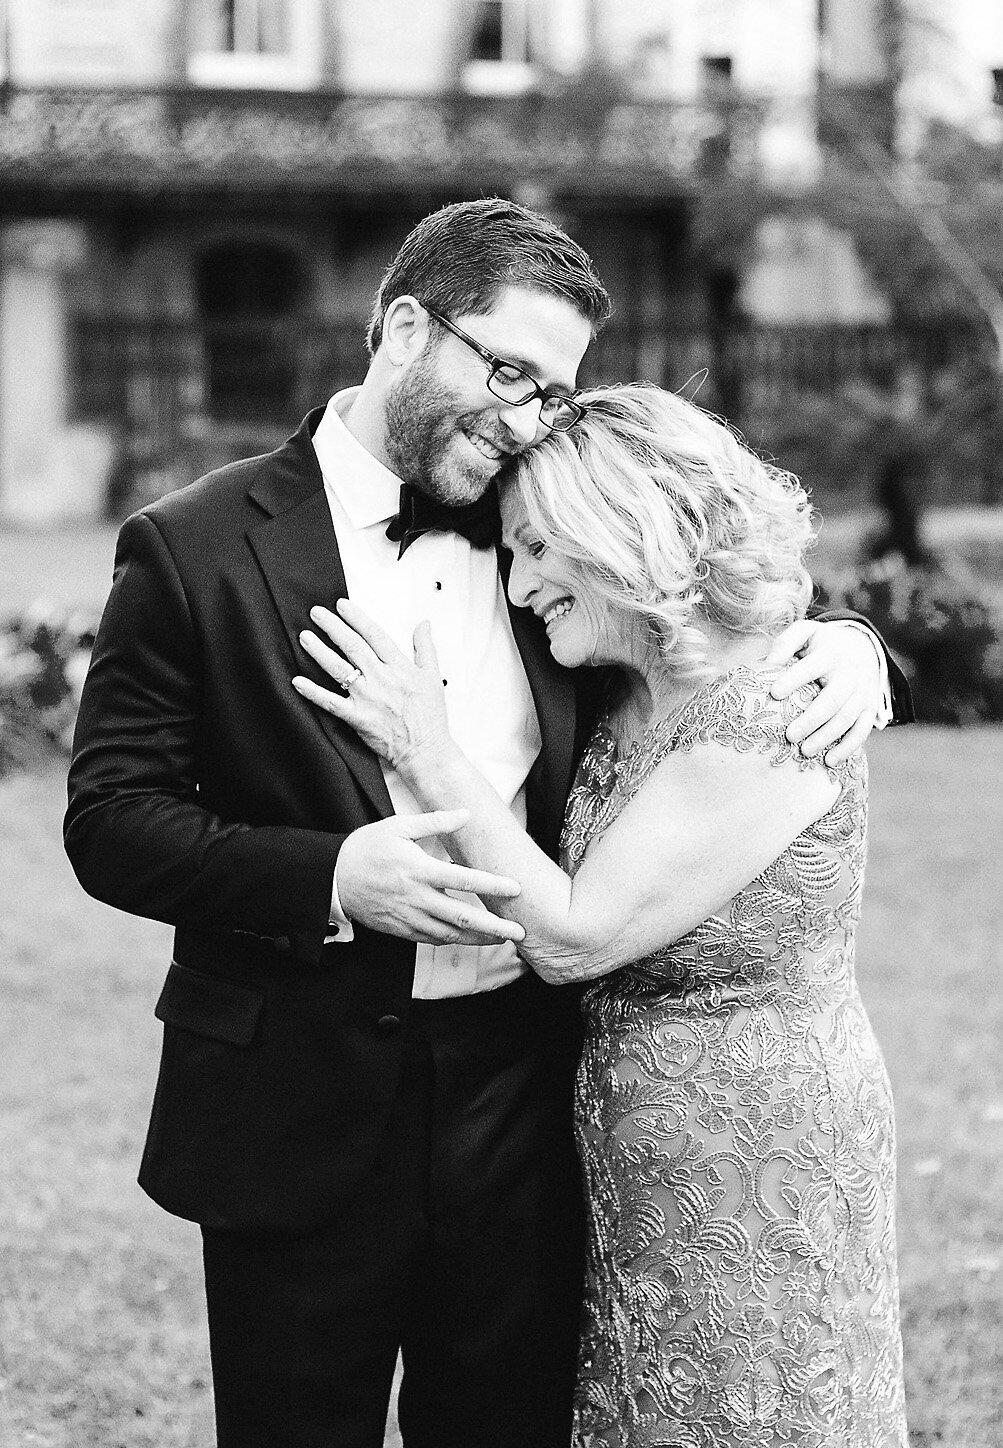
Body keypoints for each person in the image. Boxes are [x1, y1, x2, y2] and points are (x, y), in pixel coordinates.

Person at [64, 199, 910, 1448]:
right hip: (297, 1098)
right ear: (404, 327)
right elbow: (112, 820)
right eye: (507, 371)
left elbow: (700, 617)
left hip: (528, 1099)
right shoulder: (191, 549)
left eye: (550, 394)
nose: (523, 417)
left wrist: (848, 646)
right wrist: (332, 874)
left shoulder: (540, 524)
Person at [294, 382, 909, 1447]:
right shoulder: (625, 685)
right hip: (622, 1153)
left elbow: (575, 934)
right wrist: (856, 633)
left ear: (618, 531)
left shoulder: (773, 712)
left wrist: (423, 743)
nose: (519, 580)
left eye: (538, 547)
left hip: (759, 1150)